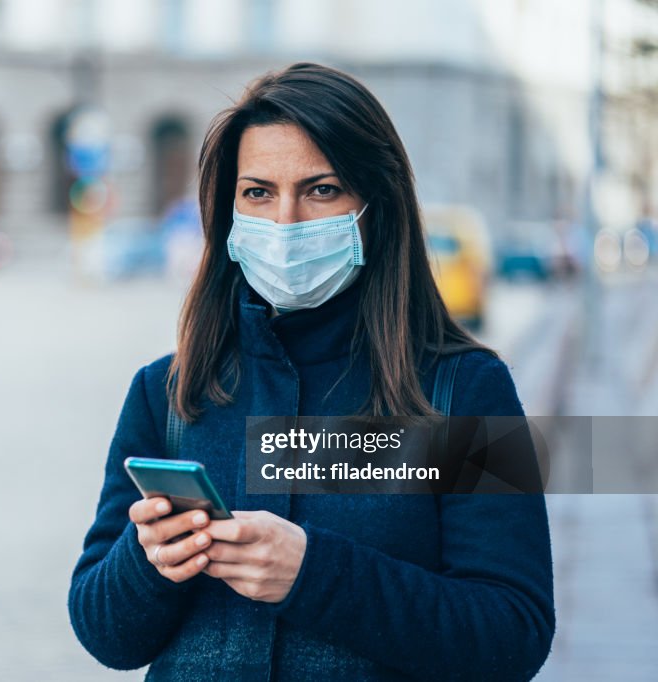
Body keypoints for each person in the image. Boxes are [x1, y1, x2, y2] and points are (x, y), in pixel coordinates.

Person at [68, 63, 555, 681]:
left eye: (322, 189)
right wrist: (148, 562)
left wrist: (315, 575)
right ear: (227, 215)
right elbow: (105, 634)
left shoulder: (467, 390)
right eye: (258, 192)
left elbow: (513, 633)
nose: (286, 222)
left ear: (375, 207)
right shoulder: (167, 393)